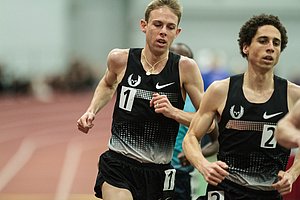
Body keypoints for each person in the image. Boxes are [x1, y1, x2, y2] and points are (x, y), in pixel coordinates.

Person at [76, 1, 206, 199]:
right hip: (119, 164)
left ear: (177, 32)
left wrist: (174, 113)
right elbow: (108, 84)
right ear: (144, 26)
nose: (163, 31)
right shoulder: (120, 59)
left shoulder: (185, 68)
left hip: (159, 171)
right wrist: (91, 110)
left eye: (170, 27)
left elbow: (210, 123)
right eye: (157, 24)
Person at [183, 13, 300, 200]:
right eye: (263, 41)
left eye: (276, 43)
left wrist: (292, 173)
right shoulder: (221, 91)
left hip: (268, 192)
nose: (270, 48)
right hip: (225, 189)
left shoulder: (294, 95)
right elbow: (191, 137)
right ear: (246, 47)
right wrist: (204, 166)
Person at [169, 43, 219, 200]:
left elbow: (218, 141)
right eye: (172, 59)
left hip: (180, 174)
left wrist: (195, 154)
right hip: (151, 169)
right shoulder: (153, 91)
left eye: (184, 61)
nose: (178, 65)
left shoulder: (199, 102)